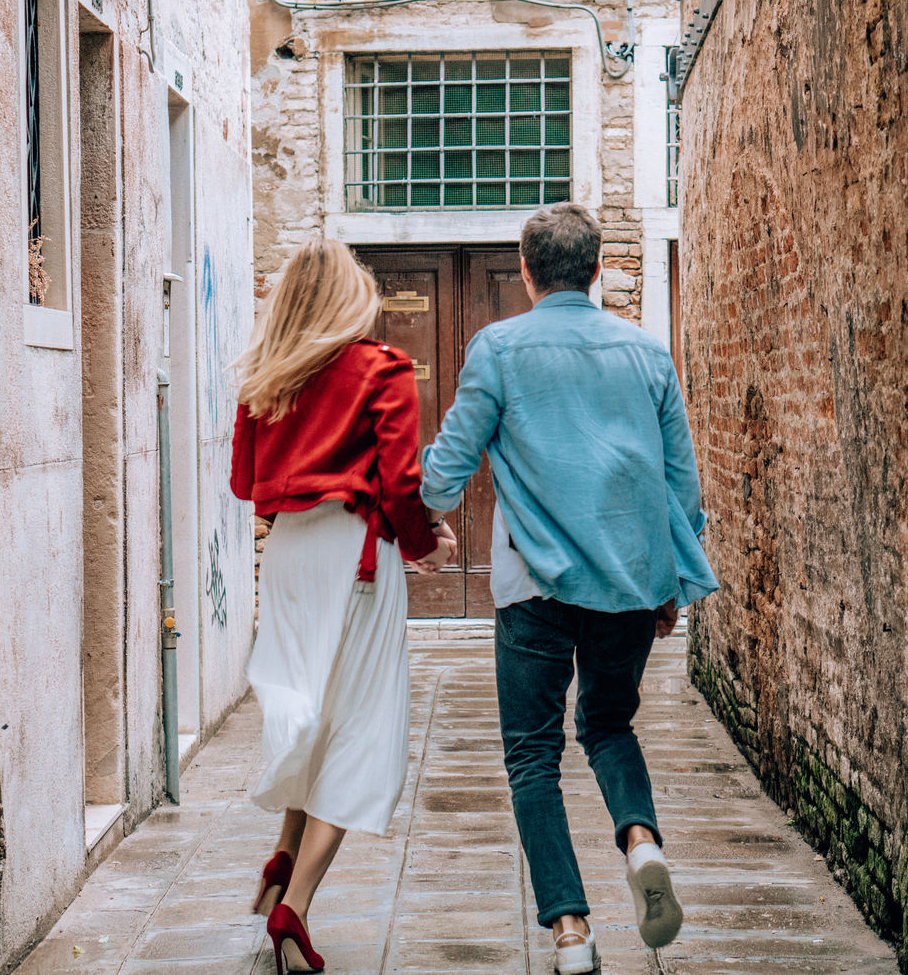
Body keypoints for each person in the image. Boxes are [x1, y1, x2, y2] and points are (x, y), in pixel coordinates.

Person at [420, 203, 719, 974]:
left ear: (525, 273)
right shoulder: (648, 354)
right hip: (628, 583)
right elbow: (681, 489)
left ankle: (570, 932)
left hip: (533, 591)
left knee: (531, 756)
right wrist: (670, 581)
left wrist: (413, 505)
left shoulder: (499, 349)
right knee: (610, 727)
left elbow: (447, 472)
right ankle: (641, 842)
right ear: (596, 272)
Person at [229, 238, 457, 975]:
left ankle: (283, 860)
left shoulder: (266, 379)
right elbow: (400, 480)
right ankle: (295, 904)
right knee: (361, 725)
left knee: (314, 712)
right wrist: (429, 543)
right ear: (349, 299)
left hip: (290, 555)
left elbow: (243, 481)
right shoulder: (381, 369)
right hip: (355, 555)